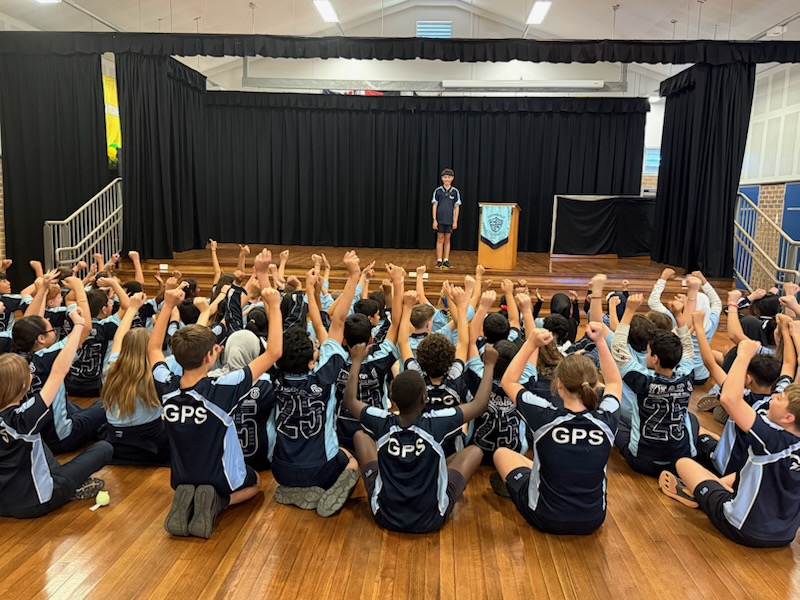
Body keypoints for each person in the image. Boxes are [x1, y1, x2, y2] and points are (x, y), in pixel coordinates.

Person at [148, 250, 284, 538]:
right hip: (218, 476)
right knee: (256, 483)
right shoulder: (222, 388)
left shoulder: (166, 383)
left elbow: (154, 349)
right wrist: (274, 305)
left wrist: (168, 305)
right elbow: (274, 352)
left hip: (181, 474)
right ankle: (217, 502)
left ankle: (190, 495)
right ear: (211, 356)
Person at [344, 342, 497, 533]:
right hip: (431, 518)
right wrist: (489, 365)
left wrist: (356, 360)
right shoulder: (436, 424)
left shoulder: (381, 421)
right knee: (474, 451)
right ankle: (440, 469)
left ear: (392, 396)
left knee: (360, 435)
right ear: (425, 398)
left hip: (385, 515)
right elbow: (479, 405)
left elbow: (349, 401)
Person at [660, 339, 800, 548]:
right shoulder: (787, 439)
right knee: (748, 469)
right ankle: (714, 489)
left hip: (744, 528)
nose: (774, 397)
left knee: (683, 463)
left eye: (779, 399)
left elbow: (729, 399)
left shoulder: (772, 437)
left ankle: (698, 497)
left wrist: (744, 354)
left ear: (788, 418)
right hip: (785, 536)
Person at [495, 323, 621, 535]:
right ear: (595, 384)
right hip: (593, 519)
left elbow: (509, 381)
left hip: (545, 516)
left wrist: (530, 344)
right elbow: (615, 383)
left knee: (501, 454)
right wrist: (600, 341)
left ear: (559, 384)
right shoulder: (606, 419)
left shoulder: (544, 416)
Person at [0, 306, 113, 518]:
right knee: (104, 448)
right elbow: (59, 371)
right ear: (24, 385)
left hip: (3, 503)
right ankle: (69, 486)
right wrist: (78, 325)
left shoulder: (23, 416)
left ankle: (62, 478)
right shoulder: (26, 417)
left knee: (36, 442)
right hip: (36, 502)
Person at [102, 292, 170, 466]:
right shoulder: (156, 374)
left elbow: (118, 338)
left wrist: (132, 308)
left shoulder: (111, 368)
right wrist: (169, 308)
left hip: (116, 444)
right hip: (150, 447)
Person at [431, 168, 461, 269]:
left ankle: (446, 260)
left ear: (452, 178)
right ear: (442, 178)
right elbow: (434, 205)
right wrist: (434, 219)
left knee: (447, 239)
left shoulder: (455, 192)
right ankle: (439, 260)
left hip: (449, 220)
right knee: (440, 239)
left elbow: (457, 207)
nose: (447, 179)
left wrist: (455, 221)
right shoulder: (438, 191)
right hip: (440, 219)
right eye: (445, 177)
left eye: (449, 177)